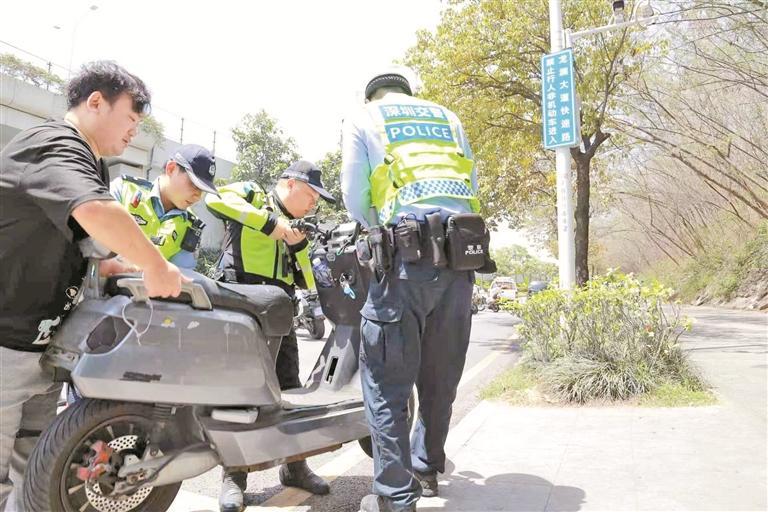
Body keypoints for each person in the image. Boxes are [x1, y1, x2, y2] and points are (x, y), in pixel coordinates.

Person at [0, 61, 186, 511]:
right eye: (130, 118)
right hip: (4, 345)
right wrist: (155, 265)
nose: (133, 132)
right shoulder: (52, 144)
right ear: (96, 102)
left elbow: (79, 240)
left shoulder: (90, 161)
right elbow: (97, 212)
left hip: (40, 347)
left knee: (35, 477)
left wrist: (111, 266)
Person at [340, 69, 484, 512]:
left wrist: (378, 232)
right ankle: (426, 469)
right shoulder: (447, 117)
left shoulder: (365, 117)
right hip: (461, 259)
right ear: (408, 92)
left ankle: (395, 497)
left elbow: (354, 194)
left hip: (404, 261)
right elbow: (472, 184)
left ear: (373, 95)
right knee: (441, 377)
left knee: (386, 382)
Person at [205, 160, 336, 512]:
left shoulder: (298, 224)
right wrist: (271, 224)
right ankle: (234, 476)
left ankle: (295, 466)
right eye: (311, 195)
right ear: (291, 184)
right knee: (240, 392)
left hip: (280, 309)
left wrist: (301, 247)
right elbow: (215, 199)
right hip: (241, 304)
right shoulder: (252, 194)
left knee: (289, 388)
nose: (313, 203)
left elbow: (305, 273)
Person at [111, 143, 219, 269]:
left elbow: (181, 272)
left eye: (202, 190)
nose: (198, 196)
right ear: (171, 169)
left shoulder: (191, 226)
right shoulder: (124, 190)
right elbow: (96, 244)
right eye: (194, 185)